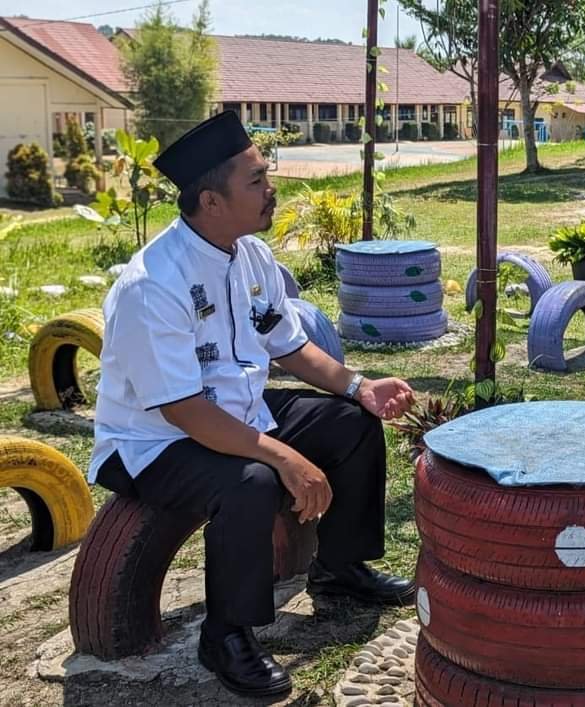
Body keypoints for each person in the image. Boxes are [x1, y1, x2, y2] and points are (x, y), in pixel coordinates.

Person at [88, 111, 417, 698]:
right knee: (251, 482)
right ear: (210, 202)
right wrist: (283, 458)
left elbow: (289, 345)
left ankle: (340, 569)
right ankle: (226, 635)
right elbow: (183, 410)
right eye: (257, 182)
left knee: (350, 423)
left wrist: (360, 386)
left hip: (234, 415)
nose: (272, 191)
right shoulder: (152, 285)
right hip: (153, 442)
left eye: (267, 177)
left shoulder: (249, 256)